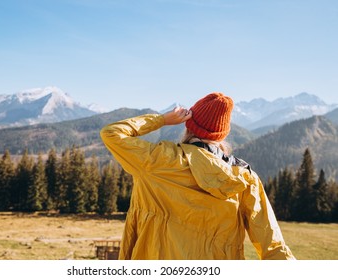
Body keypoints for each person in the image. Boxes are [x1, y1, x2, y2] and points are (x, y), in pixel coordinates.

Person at [100, 92, 295, 260]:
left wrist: (163, 120)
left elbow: (112, 133)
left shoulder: (158, 161)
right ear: (221, 135)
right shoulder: (244, 179)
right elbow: (273, 246)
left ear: (187, 125)